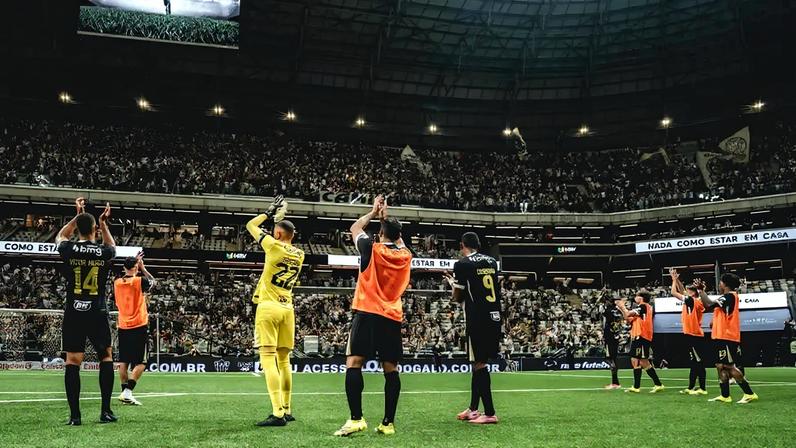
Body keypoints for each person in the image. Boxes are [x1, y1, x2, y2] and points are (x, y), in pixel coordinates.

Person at [334, 195, 412, 437]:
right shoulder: (406, 255)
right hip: (391, 315)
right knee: (391, 368)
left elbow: (355, 227)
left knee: (354, 363)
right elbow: (399, 240)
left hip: (367, 312)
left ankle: (356, 419)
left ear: (380, 234)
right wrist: (385, 219)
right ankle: (388, 423)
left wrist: (373, 212)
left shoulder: (371, 248)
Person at [56, 197, 117, 425]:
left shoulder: (68, 248)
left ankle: (75, 416)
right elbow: (113, 248)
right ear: (94, 230)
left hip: (74, 310)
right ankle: (105, 411)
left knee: (73, 361)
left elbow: (62, 235)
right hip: (97, 310)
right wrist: (103, 223)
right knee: (106, 356)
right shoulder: (102, 252)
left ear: (78, 229)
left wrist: (77, 215)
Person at [246, 195, 305, 427]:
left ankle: (277, 413)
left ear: (278, 234)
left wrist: (269, 213)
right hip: (287, 308)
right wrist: (281, 220)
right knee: (284, 361)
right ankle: (288, 409)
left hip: (269, 307)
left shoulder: (272, 245)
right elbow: (285, 235)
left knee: (268, 360)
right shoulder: (300, 254)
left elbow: (251, 225)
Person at [444, 232, 501, 424]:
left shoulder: (462, 264)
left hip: (477, 318)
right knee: (477, 362)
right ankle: (474, 408)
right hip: (494, 316)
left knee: (479, 364)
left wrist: (452, 284)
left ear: (462, 245)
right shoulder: (492, 261)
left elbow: (458, 297)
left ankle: (490, 413)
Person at [695, 274, 759, 403]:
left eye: (720, 282)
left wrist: (701, 291)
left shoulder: (730, 296)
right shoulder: (726, 297)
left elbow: (708, 304)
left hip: (727, 336)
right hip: (720, 336)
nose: (719, 285)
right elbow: (710, 308)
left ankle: (749, 393)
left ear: (725, 284)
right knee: (720, 365)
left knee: (728, 366)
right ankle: (725, 395)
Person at [114, 253, 155, 406]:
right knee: (142, 362)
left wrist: (135, 264)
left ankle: (124, 393)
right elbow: (153, 282)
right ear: (136, 268)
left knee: (123, 361)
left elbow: (126, 277)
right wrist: (143, 268)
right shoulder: (140, 281)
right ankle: (128, 392)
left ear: (124, 267)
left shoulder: (117, 282)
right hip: (138, 325)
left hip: (123, 325)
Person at [617, 291, 664, 393]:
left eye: (637, 296)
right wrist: (621, 308)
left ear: (641, 298)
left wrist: (622, 306)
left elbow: (628, 313)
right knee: (638, 361)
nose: (635, 297)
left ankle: (652, 385)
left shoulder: (643, 306)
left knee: (641, 361)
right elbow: (628, 318)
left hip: (642, 336)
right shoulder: (642, 309)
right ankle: (641, 386)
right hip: (638, 336)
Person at [669, 268, 707, 395]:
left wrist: (674, 280)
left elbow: (674, 292)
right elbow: (681, 290)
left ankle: (702, 388)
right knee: (694, 362)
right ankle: (691, 387)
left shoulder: (692, 300)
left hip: (693, 334)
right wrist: (677, 279)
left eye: (688, 290)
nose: (685, 291)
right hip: (693, 334)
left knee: (698, 362)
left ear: (692, 293)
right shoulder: (695, 300)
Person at [601, 291, 624, 389]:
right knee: (613, 358)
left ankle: (615, 382)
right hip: (616, 336)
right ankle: (615, 382)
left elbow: (602, 314)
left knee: (609, 358)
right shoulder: (618, 311)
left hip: (609, 337)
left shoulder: (608, 311)